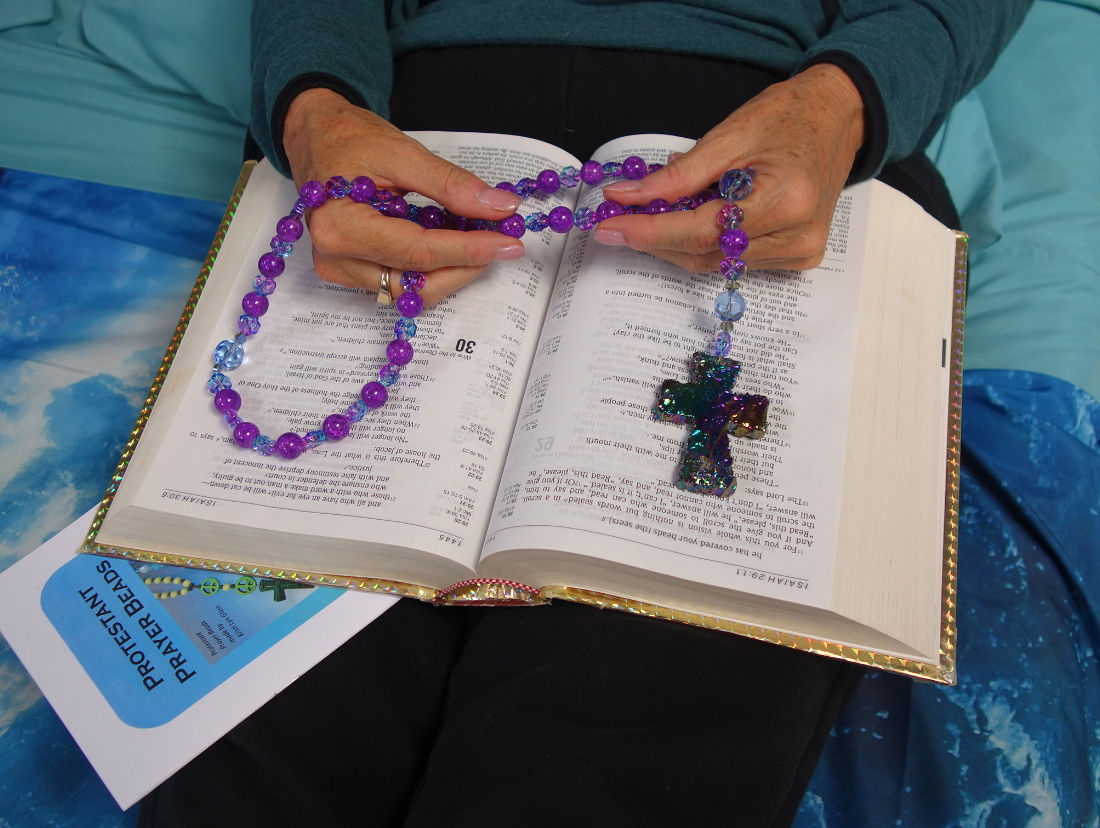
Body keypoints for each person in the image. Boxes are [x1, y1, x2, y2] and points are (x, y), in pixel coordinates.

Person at [140, 3, 1033, 826]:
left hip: (778, 134)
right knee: (261, 730)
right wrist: (315, 110)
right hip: (405, 138)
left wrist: (849, 102)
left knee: (621, 748)